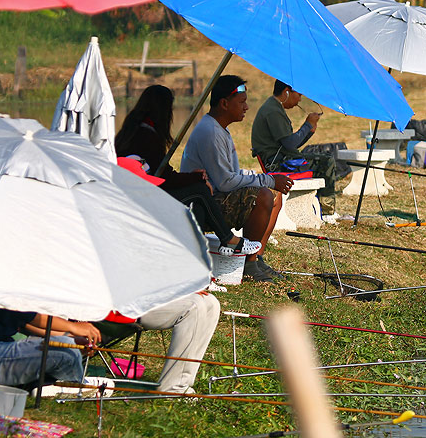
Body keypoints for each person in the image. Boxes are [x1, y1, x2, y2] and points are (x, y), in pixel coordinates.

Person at [114, 85, 260, 258]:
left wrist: (193, 177)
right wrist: (197, 178)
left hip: (137, 192)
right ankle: (228, 239)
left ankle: (198, 259)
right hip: (144, 197)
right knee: (199, 191)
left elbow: (161, 172)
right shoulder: (147, 136)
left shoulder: (132, 130)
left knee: (197, 204)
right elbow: (165, 178)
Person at [181, 75, 293, 283]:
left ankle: (256, 257)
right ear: (224, 103)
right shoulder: (210, 132)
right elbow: (225, 182)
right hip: (203, 205)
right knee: (264, 196)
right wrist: (267, 181)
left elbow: (234, 175)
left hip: (219, 193)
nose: (247, 107)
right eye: (242, 102)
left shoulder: (221, 130)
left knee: (275, 195)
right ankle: (248, 264)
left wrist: (267, 179)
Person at [251, 80, 339, 215]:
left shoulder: (273, 107)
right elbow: (290, 144)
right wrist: (308, 125)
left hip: (282, 158)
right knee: (326, 161)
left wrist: (309, 131)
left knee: (322, 158)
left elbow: (291, 143)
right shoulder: (273, 111)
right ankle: (327, 211)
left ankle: (322, 207)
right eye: (298, 95)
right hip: (278, 164)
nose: (299, 100)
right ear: (286, 91)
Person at [0, 308, 101, 387]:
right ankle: (77, 387)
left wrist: (73, 339)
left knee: (68, 346)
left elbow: (27, 324)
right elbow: (34, 318)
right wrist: (72, 327)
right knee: (68, 351)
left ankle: (49, 384)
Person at [136, 293, 220, 395]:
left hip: (154, 295)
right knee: (194, 306)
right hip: (129, 306)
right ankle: (173, 389)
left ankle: (183, 381)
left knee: (211, 302)